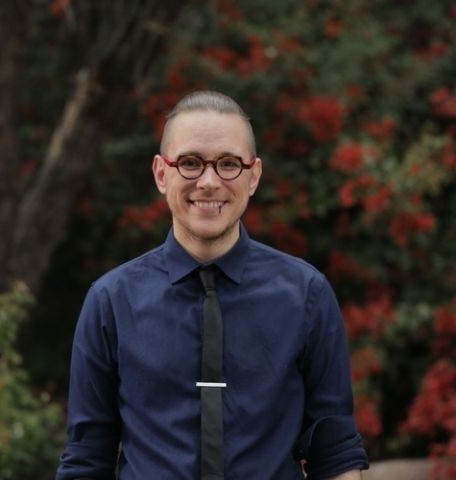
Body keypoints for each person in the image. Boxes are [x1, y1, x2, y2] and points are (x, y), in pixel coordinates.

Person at [56, 90, 369, 479]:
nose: (208, 181)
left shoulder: (308, 295)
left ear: (253, 176)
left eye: (228, 164)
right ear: (161, 173)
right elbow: (87, 459)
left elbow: (336, 453)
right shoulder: (110, 301)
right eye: (190, 163)